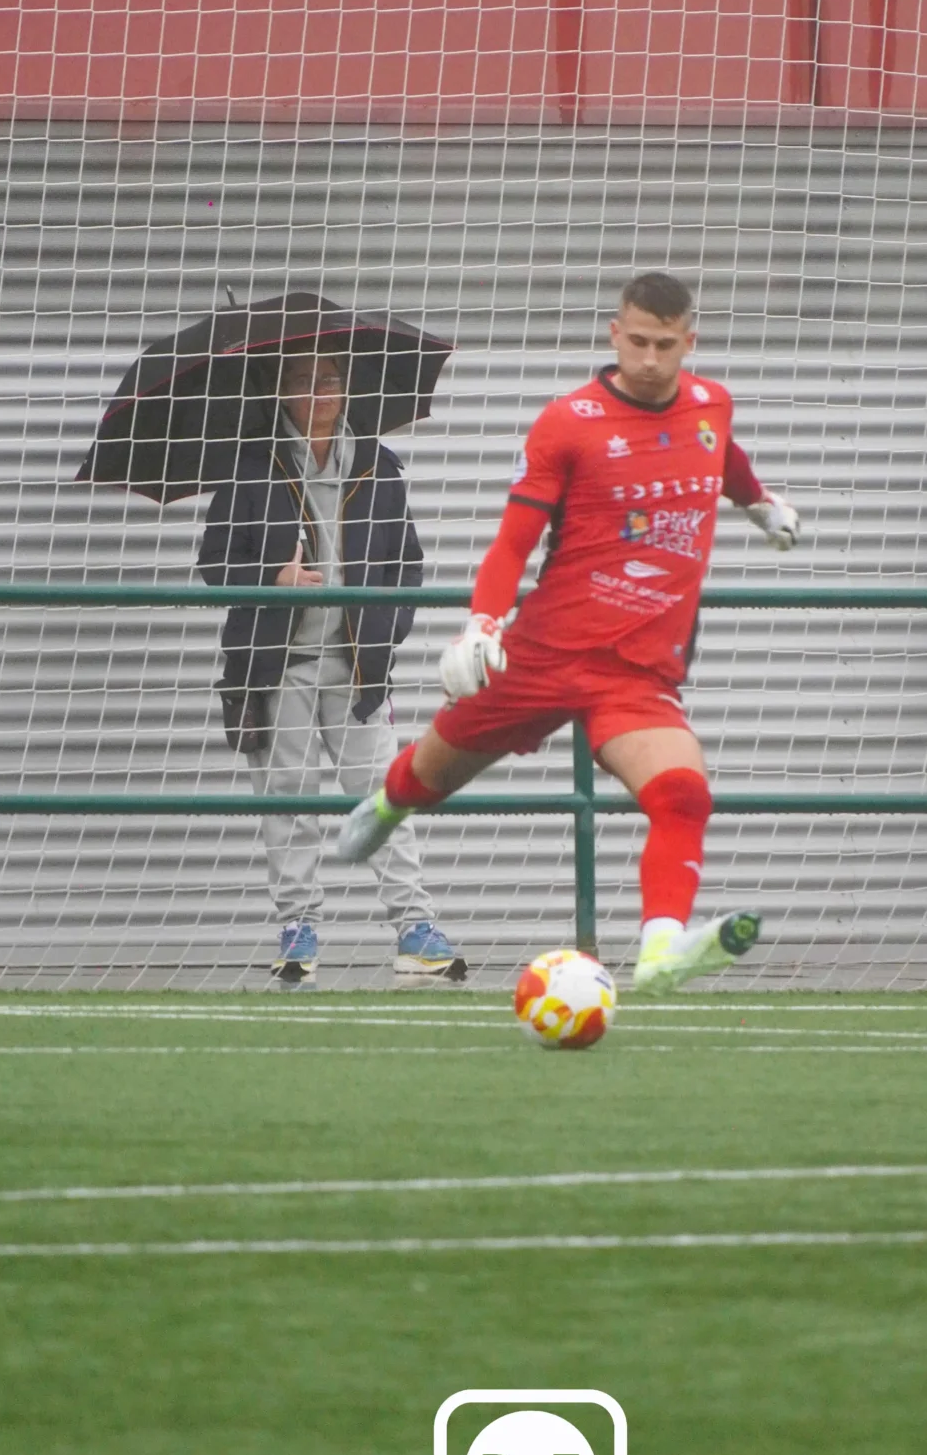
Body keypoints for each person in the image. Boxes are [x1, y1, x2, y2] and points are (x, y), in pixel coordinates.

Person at [335, 271, 802, 991]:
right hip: (542, 656)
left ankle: (660, 950)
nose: (650, 359)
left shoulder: (712, 405)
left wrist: (759, 503)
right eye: (637, 341)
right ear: (616, 335)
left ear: (689, 343)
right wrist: (482, 625)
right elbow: (513, 542)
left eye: (665, 345)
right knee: (431, 775)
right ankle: (389, 803)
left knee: (683, 794)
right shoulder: (569, 422)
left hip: (636, 671)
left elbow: (721, 453)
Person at [198, 349, 465, 988]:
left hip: (357, 671)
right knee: (286, 801)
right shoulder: (250, 468)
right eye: (301, 381)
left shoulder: (379, 467)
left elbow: (407, 565)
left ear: (346, 389)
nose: (318, 392)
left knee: (384, 795)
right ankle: (299, 930)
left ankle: (415, 927)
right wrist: (272, 578)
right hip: (275, 667)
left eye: (329, 380)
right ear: (280, 392)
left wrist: (384, 634)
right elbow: (214, 563)